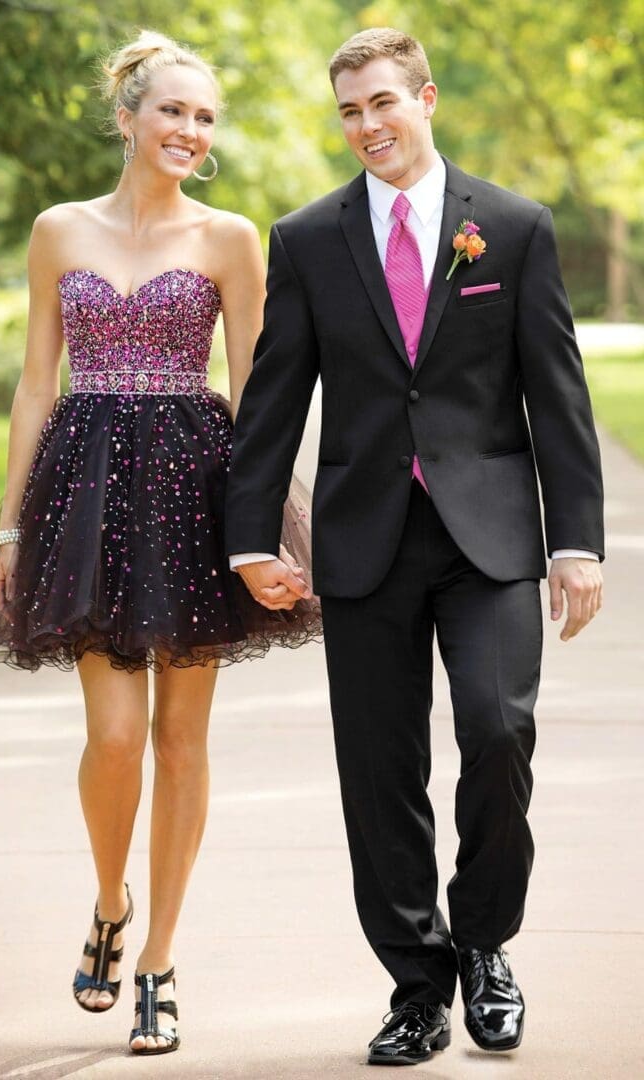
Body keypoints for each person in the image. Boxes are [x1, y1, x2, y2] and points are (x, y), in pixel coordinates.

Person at [225, 27, 604, 1067]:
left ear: (426, 98)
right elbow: (271, 404)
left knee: (498, 732)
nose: (366, 126)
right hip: (364, 540)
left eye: (383, 102)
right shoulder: (306, 239)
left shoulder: (515, 228)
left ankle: (485, 942)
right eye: (348, 110)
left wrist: (577, 541)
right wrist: (249, 538)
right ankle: (413, 986)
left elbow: (557, 395)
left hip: (488, 537)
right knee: (378, 770)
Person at [0, 30, 320, 1057]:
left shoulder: (231, 238)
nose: (189, 131)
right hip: (87, 496)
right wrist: (15, 520)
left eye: (204, 118)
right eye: (172, 111)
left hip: (200, 492)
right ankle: (108, 900)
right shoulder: (57, 231)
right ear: (127, 116)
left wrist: (262, 525)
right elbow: (36, 383)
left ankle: (159, 955)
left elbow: (259, 391)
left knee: (181, 740)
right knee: (113, 741)